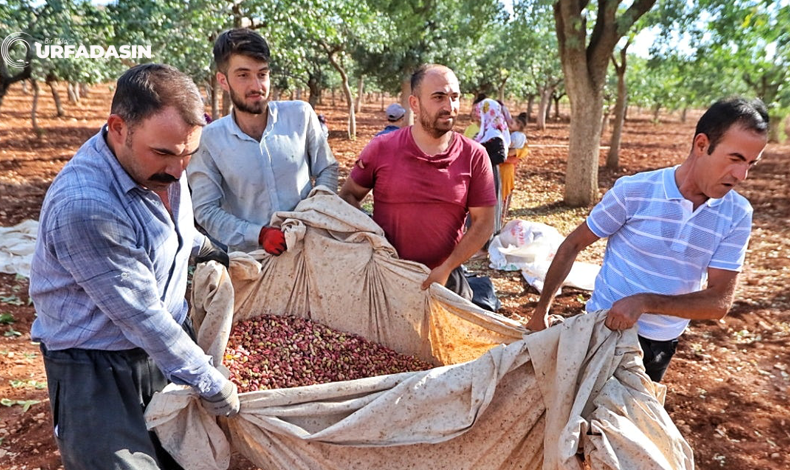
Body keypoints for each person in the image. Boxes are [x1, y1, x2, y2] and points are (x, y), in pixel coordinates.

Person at [29, 64, 240, 470]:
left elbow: (169, 233)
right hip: (97, 371)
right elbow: (142, 315)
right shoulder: (87, 206)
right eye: (163, 153)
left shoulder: (163, 170)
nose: (179, 171)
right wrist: (211, 381)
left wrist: (206, 248)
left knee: (180, 459)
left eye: (188, 155)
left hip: (163, 353)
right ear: (118, 127)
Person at [525, 97, 769, 383]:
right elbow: (572, 244)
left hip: (660, 347)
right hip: (601, 331)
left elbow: (718, 302)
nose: (742, 175)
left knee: (623, 424)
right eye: (736, 159)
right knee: (576, 414)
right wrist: (541, 311)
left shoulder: (736, 214)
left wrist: (644, 302)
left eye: (751, 163)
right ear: (701, 145)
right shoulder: (635, 191)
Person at [339, 64, 496, 299]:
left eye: (455, 97)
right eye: (439, 97)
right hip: (385, 278)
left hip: (445, 281)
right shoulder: (382, 148)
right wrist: (372, 240)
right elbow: (348, 195)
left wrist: (447, 267)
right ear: (414, 104)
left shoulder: (474, 155)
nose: (449, 107)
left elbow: (484, 222)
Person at [187, 28, 338, 254]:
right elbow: (206, 210)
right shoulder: (210, 139)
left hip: (311, 249)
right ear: (223, 81)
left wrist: (314, 214)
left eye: (262, 74)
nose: (257, 86)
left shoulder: (301, 115)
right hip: (252, 264)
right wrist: (258, 234)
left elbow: (327, 168)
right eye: (243, 75)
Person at [473, 98, 510, 236]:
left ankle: (487, 239)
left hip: (489, 174)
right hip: (484, 173)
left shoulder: (494, 133)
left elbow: (500, 156)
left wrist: (483, 160)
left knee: (487, 207)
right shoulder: (487, 131)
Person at [500, 112, 528, 225]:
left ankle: (501, 219)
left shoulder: (512, 136)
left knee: (503, 197)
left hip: (506, 172)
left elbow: (522, 151)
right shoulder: (521, 136)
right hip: (505, 171)